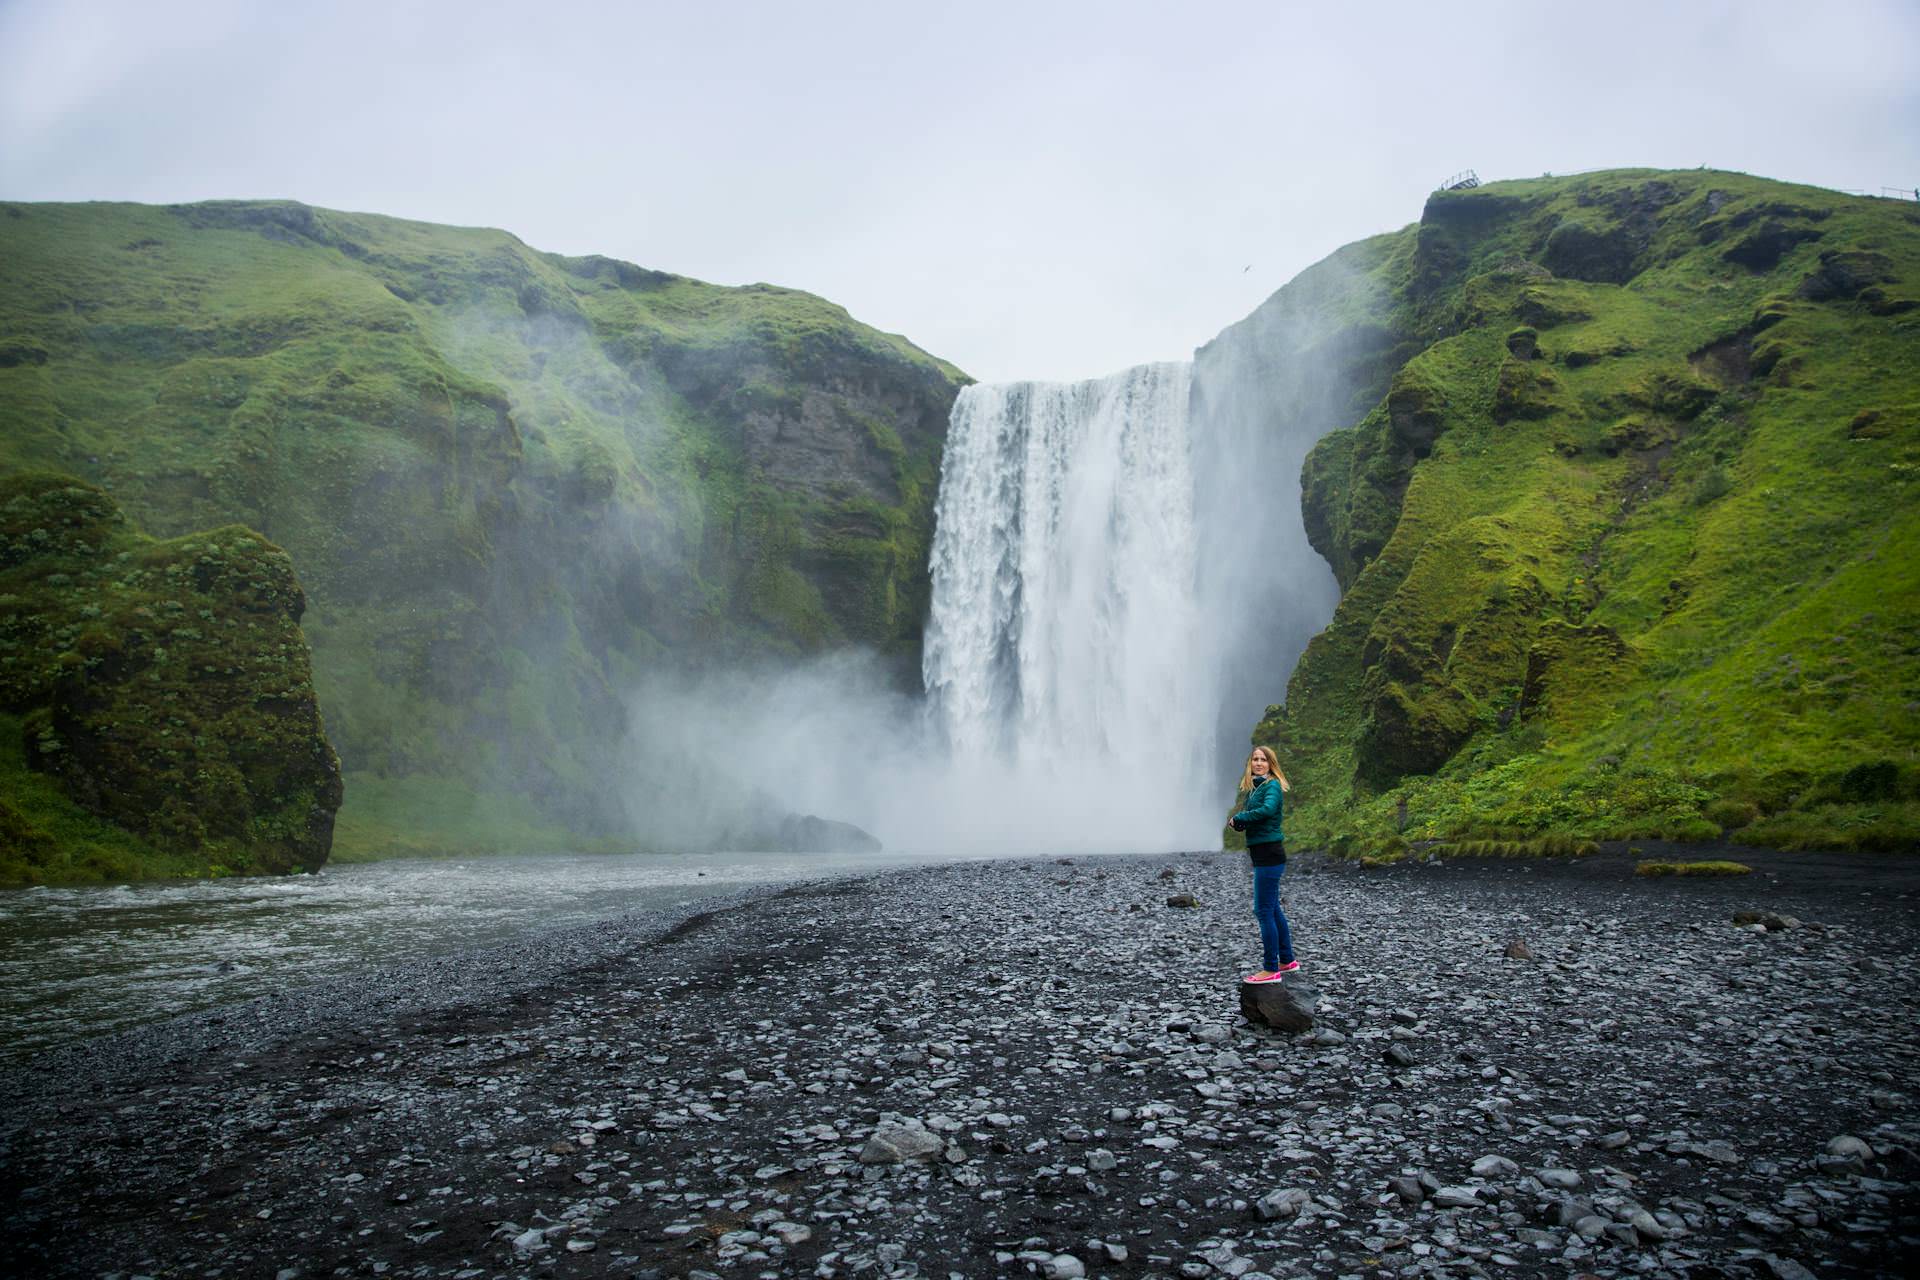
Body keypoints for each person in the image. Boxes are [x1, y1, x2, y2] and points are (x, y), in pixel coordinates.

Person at [1229, 745, 1295, 984]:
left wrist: (1240, 818)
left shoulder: (1272, 786)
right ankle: (1287, 960)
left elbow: (1267, 811)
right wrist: (1240, 824)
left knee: (1263, 910)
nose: (1258, 763)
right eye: (1255, 759)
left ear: (1271, 764)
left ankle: (1270, 969)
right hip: (1262, 853)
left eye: (1263, 759)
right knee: (1273, 908)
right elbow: (1256, 817)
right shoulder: (1254, 789)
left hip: (1269, 854)